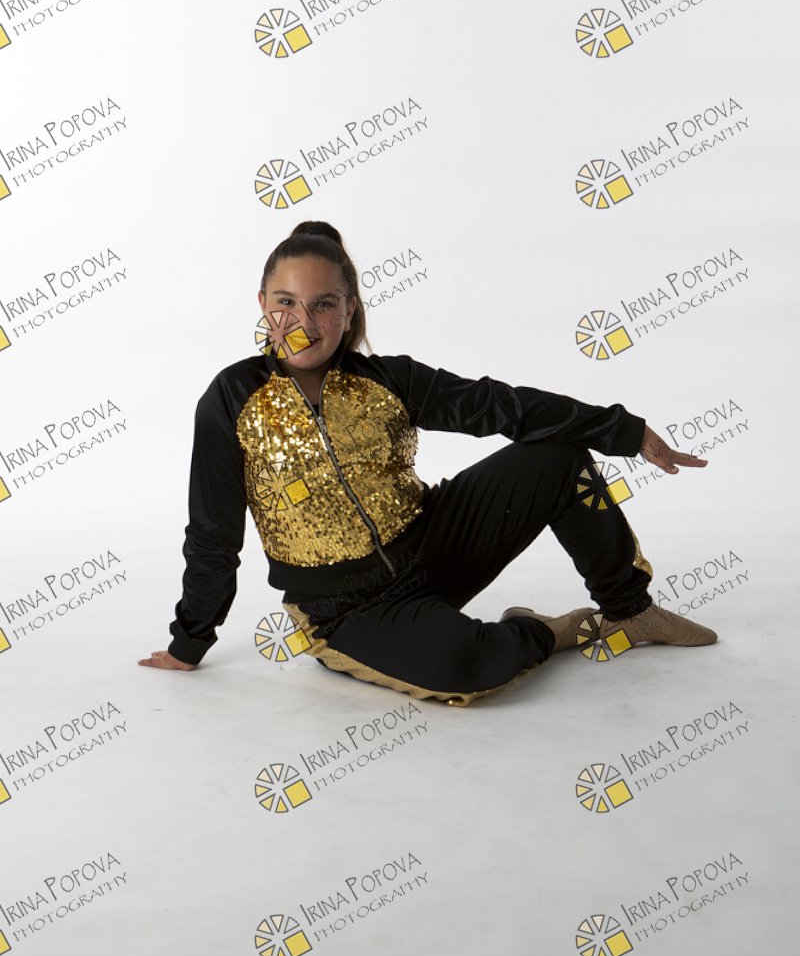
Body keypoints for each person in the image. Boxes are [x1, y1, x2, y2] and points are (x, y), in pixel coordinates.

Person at [138, 221, 717, 707]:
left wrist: (626, 431)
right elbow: (213, 532)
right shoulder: (231, 399)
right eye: (286, 302)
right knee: (470, 666)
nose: (304, 323)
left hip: (437, 545)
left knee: (559, 456)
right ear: (263, 304)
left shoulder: (389, 379)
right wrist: (190, 642)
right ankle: (546, 629)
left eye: (324, 304)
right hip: (346, 609)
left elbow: (502, 406)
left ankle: (628, 610)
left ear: (348, 310)